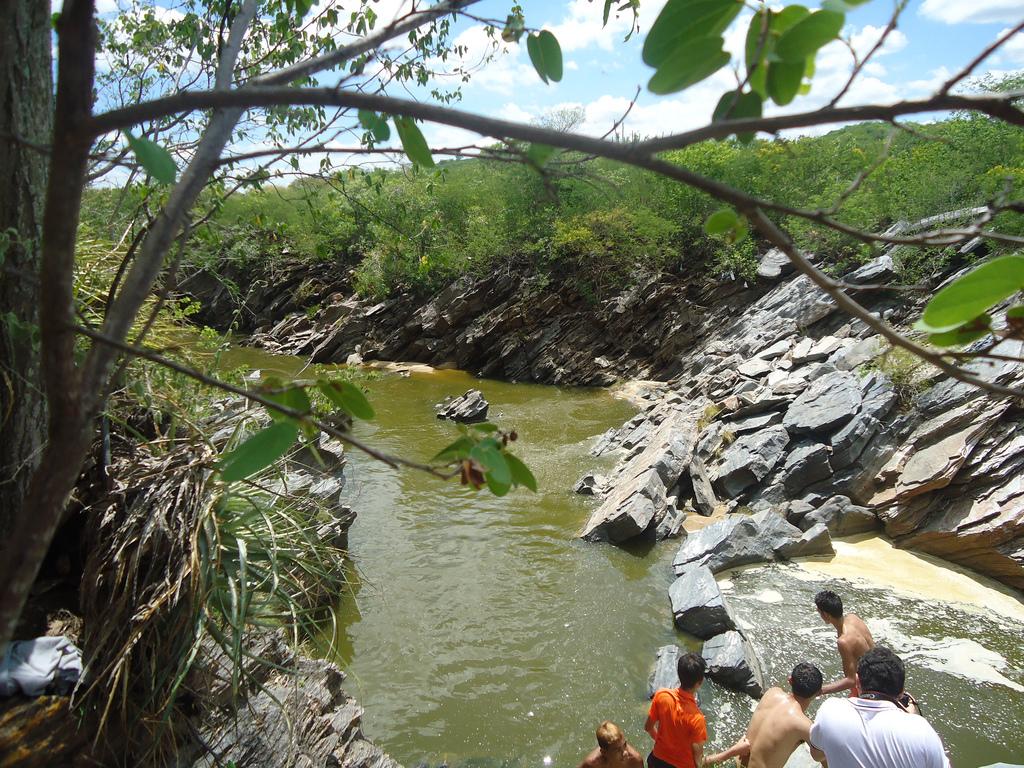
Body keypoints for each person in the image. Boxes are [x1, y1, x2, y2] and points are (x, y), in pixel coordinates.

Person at [809, 646, 950, 768]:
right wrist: (912, 717)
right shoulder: (922, 731)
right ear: (901, 691)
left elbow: (817, 755)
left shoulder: (830, 710)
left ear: (857, 681)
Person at [705, 662, 824, 768]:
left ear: (790, 680)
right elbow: (821, 757)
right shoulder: (805, 725)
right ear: (818, 693)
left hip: (735, 764)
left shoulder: (772, 692)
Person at [645, 651, 708, 768]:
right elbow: (697, 759)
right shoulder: (697, 719)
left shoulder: (661, 696)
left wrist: (660, 741)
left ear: (679, 675)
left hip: (656, 761)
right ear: (700, 682)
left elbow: (648, 727)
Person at [814, 589, 874, 695]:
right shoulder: (853, 618)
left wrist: (819, 691)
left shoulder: (843, 641)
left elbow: (851, 680)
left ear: (826, 615)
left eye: (819, 611)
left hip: (872, 685)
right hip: (882, 672)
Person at [578, 721, 644, 768]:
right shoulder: (592, 764)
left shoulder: (635, 761)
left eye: (624, 745)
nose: (625, 753)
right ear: (604, 752)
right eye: (617, 750)